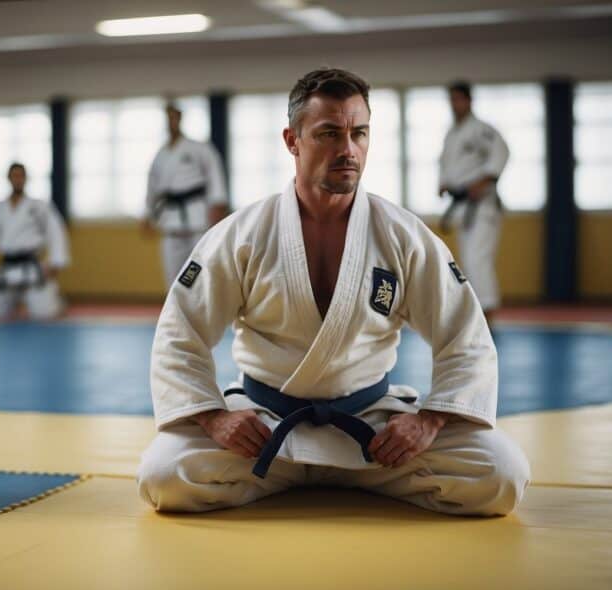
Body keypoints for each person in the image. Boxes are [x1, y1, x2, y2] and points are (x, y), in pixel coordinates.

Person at [137, 68, 529, 517]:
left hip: (372, 427)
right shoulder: (242, 234)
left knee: (500, 474)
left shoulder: (403, 235)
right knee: (164, 477)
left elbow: (465, 336)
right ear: (292, 140)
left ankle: (292, 477)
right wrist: (215, 417)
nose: (348, 150)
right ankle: (332, 475)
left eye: (359, 133)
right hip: (266, 428)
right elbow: (179, 332)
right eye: (328, 133)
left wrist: (429, 420)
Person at [438, 81, 509, 325]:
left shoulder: (481, 129)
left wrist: (486, 180)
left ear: (469, 101)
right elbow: (448, 165)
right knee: (468, 260)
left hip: (482, 206)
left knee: (478, 259)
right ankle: (476, 313)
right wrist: (443, 182)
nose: (454, 104)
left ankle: (488, 313)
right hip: (462, 207)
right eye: (451, 99)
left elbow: (501, 152)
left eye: (459, 99)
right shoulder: (452, 133)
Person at [0, 163, 69, 320]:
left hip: (32, 265)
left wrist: (55, 262)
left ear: (26, 179)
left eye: (21, 176)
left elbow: (55, 232)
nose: (18, 179)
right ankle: (15, 302)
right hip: (7, 267)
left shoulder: (39, 207)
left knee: (45, 313)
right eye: (15, 176)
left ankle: (55, 300)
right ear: (9, 178)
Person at [142, 102, 229, 286]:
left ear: (180, 119)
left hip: (197, 220)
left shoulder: (199, 149)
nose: (171, 122)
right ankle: (175, 313)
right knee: (172, 278)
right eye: (168, 118)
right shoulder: (160, 155)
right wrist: (147, 214)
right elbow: (152, 188)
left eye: (174, 117)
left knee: (198, 274)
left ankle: (201, 311)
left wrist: (218, 204)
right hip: (170, 221)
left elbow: (215, 175)